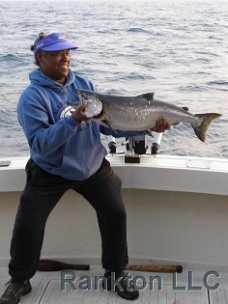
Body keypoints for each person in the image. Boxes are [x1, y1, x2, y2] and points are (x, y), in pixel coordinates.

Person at [0, 32, 170, 304]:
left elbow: (106, 123)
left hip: (91, 164)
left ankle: (114, 273)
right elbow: (40, 146)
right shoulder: (31, 98)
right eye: (56, 53)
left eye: (67, 52)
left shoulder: (83, 84)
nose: (64, 57)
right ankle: (19, 279)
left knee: (115, 213)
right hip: (49, 170)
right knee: (27, 224)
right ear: (40, 57)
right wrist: (73, 121)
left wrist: (147, 127)